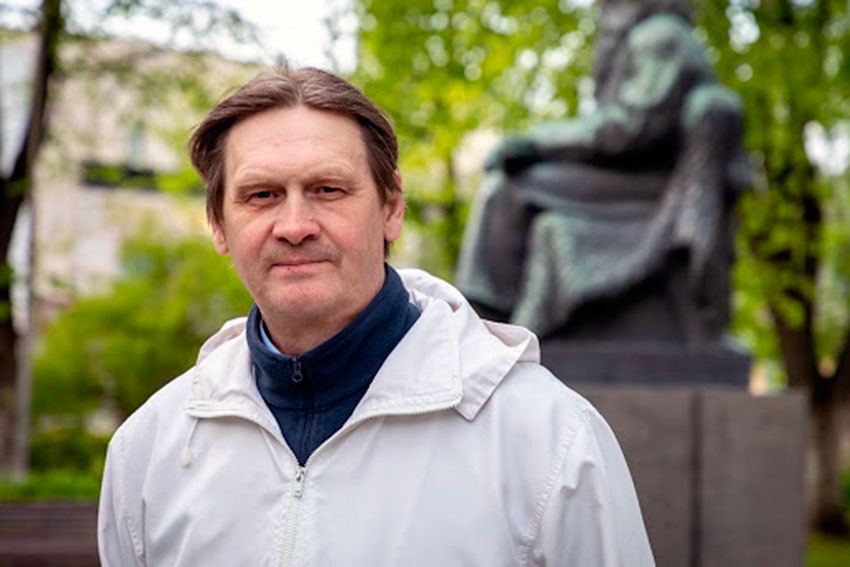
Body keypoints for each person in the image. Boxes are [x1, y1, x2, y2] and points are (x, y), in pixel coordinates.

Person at [97, 66, 654, 566]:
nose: (295, 226)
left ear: (391, 208)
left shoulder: (548, 439)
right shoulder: (147, 451)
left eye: (328, 189)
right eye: (262, 195)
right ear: (219, 226)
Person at [456, 0, 749, 342]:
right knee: (512, 183)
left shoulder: (660, 35)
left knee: (510, 187)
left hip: (652, 186)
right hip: (633, 174)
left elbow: (631, 128)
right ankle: (488, 324)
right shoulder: (640, 35)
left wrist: (535, 142)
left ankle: (486, 323)